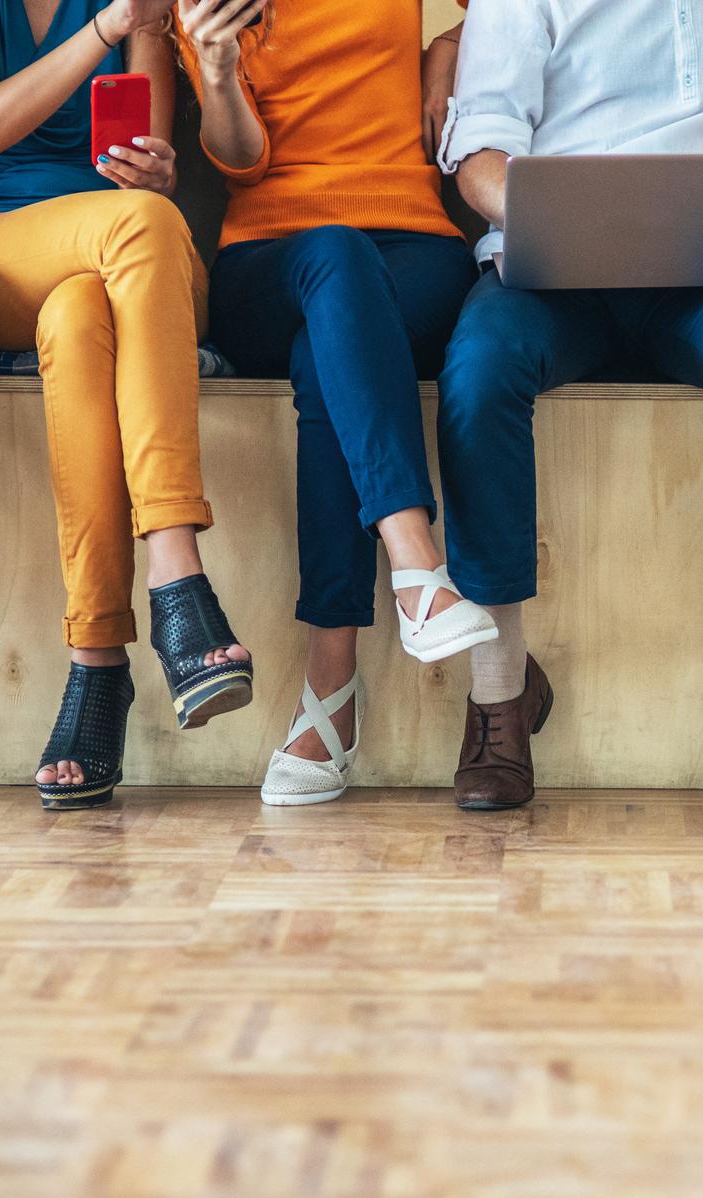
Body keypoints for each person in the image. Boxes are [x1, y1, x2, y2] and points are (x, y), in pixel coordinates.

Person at [434, 0, 703, 814]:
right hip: (552, 277)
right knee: (476, 373)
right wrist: (554, 220)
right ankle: (499, 690)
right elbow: (477, 155)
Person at [0, 0, 254, 811]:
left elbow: (152, 162)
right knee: (140, 226)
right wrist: (101, 31)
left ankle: (97, 662)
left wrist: (154, 167)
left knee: (80, 308)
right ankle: (178, 577)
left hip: (118, 267)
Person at [175, 0, 495, 807]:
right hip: (269, 254)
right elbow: (240, 163)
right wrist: (215, 72)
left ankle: (332, 684)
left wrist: (454, 44)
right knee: (335, 255)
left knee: (330, 355)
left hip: (415, 245)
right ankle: (416, 562)